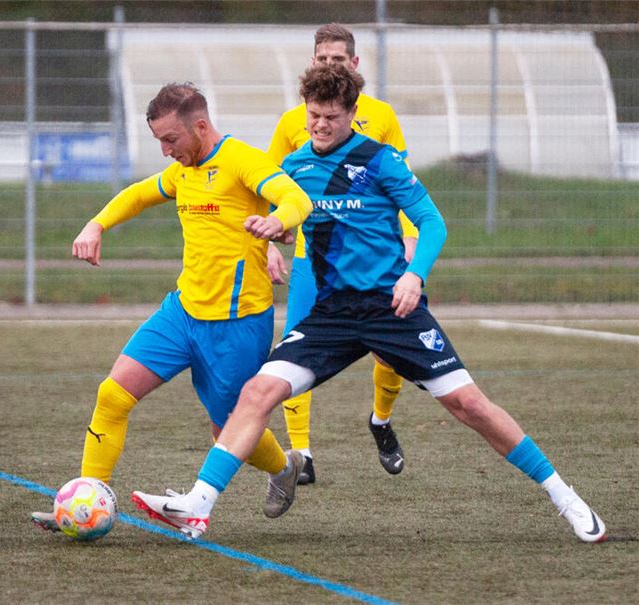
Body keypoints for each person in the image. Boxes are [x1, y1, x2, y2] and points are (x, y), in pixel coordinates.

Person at [132, 64, 606, 544]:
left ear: (353, 115)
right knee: (257, 393)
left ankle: (564, 495)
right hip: (332, 315)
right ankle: (199, 504)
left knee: (470, 405)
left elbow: (432, 222)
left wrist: (414, 276)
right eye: (313, 115)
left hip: (391, 310)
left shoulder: (382, 162)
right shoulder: (294, 167)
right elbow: (266, 212)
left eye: (331, 117)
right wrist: (270, 242)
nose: (320, 125)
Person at [31, 82, 314, 532]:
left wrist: (276, 221)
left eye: (171, 140)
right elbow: (139, 194)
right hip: (181, 312)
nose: (165, 151)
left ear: (200, 126)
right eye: (159, 140)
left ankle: (284, 468)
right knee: (112, 394)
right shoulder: (182, 171)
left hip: (236, 324)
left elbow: (298, 198)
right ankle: (84, 503)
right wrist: (96, 223)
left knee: (228, 430)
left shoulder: (242, 161)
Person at [266, 23, 419, 484]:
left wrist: (410, 240)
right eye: (321, 59)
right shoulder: (294, 121)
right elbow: (271, 186)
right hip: (313, 259)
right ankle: (302, 454)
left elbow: (404, 184)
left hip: (375, 260)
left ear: (354, 65)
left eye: (338, 60)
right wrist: (274, 244)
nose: (329, 65)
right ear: (312, 62)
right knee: (294, 348)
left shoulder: (382, 117)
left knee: (391, 356)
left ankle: (381, 420)